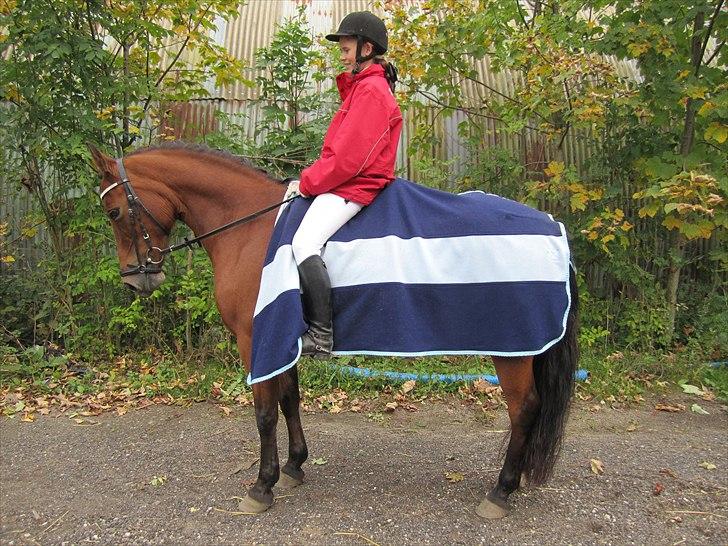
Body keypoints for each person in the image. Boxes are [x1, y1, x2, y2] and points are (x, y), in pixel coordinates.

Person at [285, 11, 402, 357]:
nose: (342, 52)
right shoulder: (361, 88)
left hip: (356, 185)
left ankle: (321, 335)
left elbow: (349, 160)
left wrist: (308, 183)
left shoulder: (372, 92)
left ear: (367, 48)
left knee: (304, 242)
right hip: (346, 180)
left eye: (347, 46)